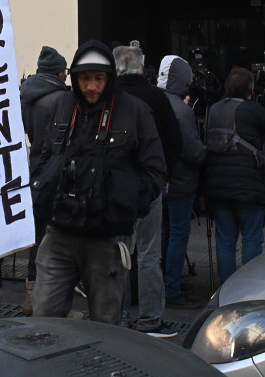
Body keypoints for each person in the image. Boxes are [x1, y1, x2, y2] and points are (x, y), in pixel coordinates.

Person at [31, 41, 167, 325]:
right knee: (43, 322)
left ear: (110, 77)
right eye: (85, 79)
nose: (91, 87)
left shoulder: (135, 111)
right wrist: (45, 187)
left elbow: (156, 171)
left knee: (106, 327)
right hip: (58, 234)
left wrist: (126, 201)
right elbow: (41, 157)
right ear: (74, 78)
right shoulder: (61, 105)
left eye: (98, 78)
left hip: (106, 238)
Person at [113, 43, 183, 336]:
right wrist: (162, 175)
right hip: (149, 184)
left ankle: (117, 317)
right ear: (142, 67)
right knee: (149, 254)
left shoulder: (109, 96)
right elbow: (174, 142)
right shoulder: (156, 97)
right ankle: (150, 319)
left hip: (114, 186)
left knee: (117, 252)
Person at [202, 66, 265, 283]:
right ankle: (248, 288)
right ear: (250, 89)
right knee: (251, 238)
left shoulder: (214, 109)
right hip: (248, 185)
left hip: (218, 185)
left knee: (225, 239)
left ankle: (227, 288)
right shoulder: (251, 109)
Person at [19, 45, 69, 314]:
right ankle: (49, 301)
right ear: (59, 72)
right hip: (55, 170)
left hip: (34, 167)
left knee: (36, 234)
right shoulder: (61, 101)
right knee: (56, 233)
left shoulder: (24, 96)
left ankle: (31, 295)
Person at [156, 54, 207, 306]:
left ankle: (163, 283)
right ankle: (172, 287)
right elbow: (193, 151)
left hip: (157, 181)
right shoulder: (182, 111)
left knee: (163, 232)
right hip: (180, 182)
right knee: (178, 233)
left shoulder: (152, 103)